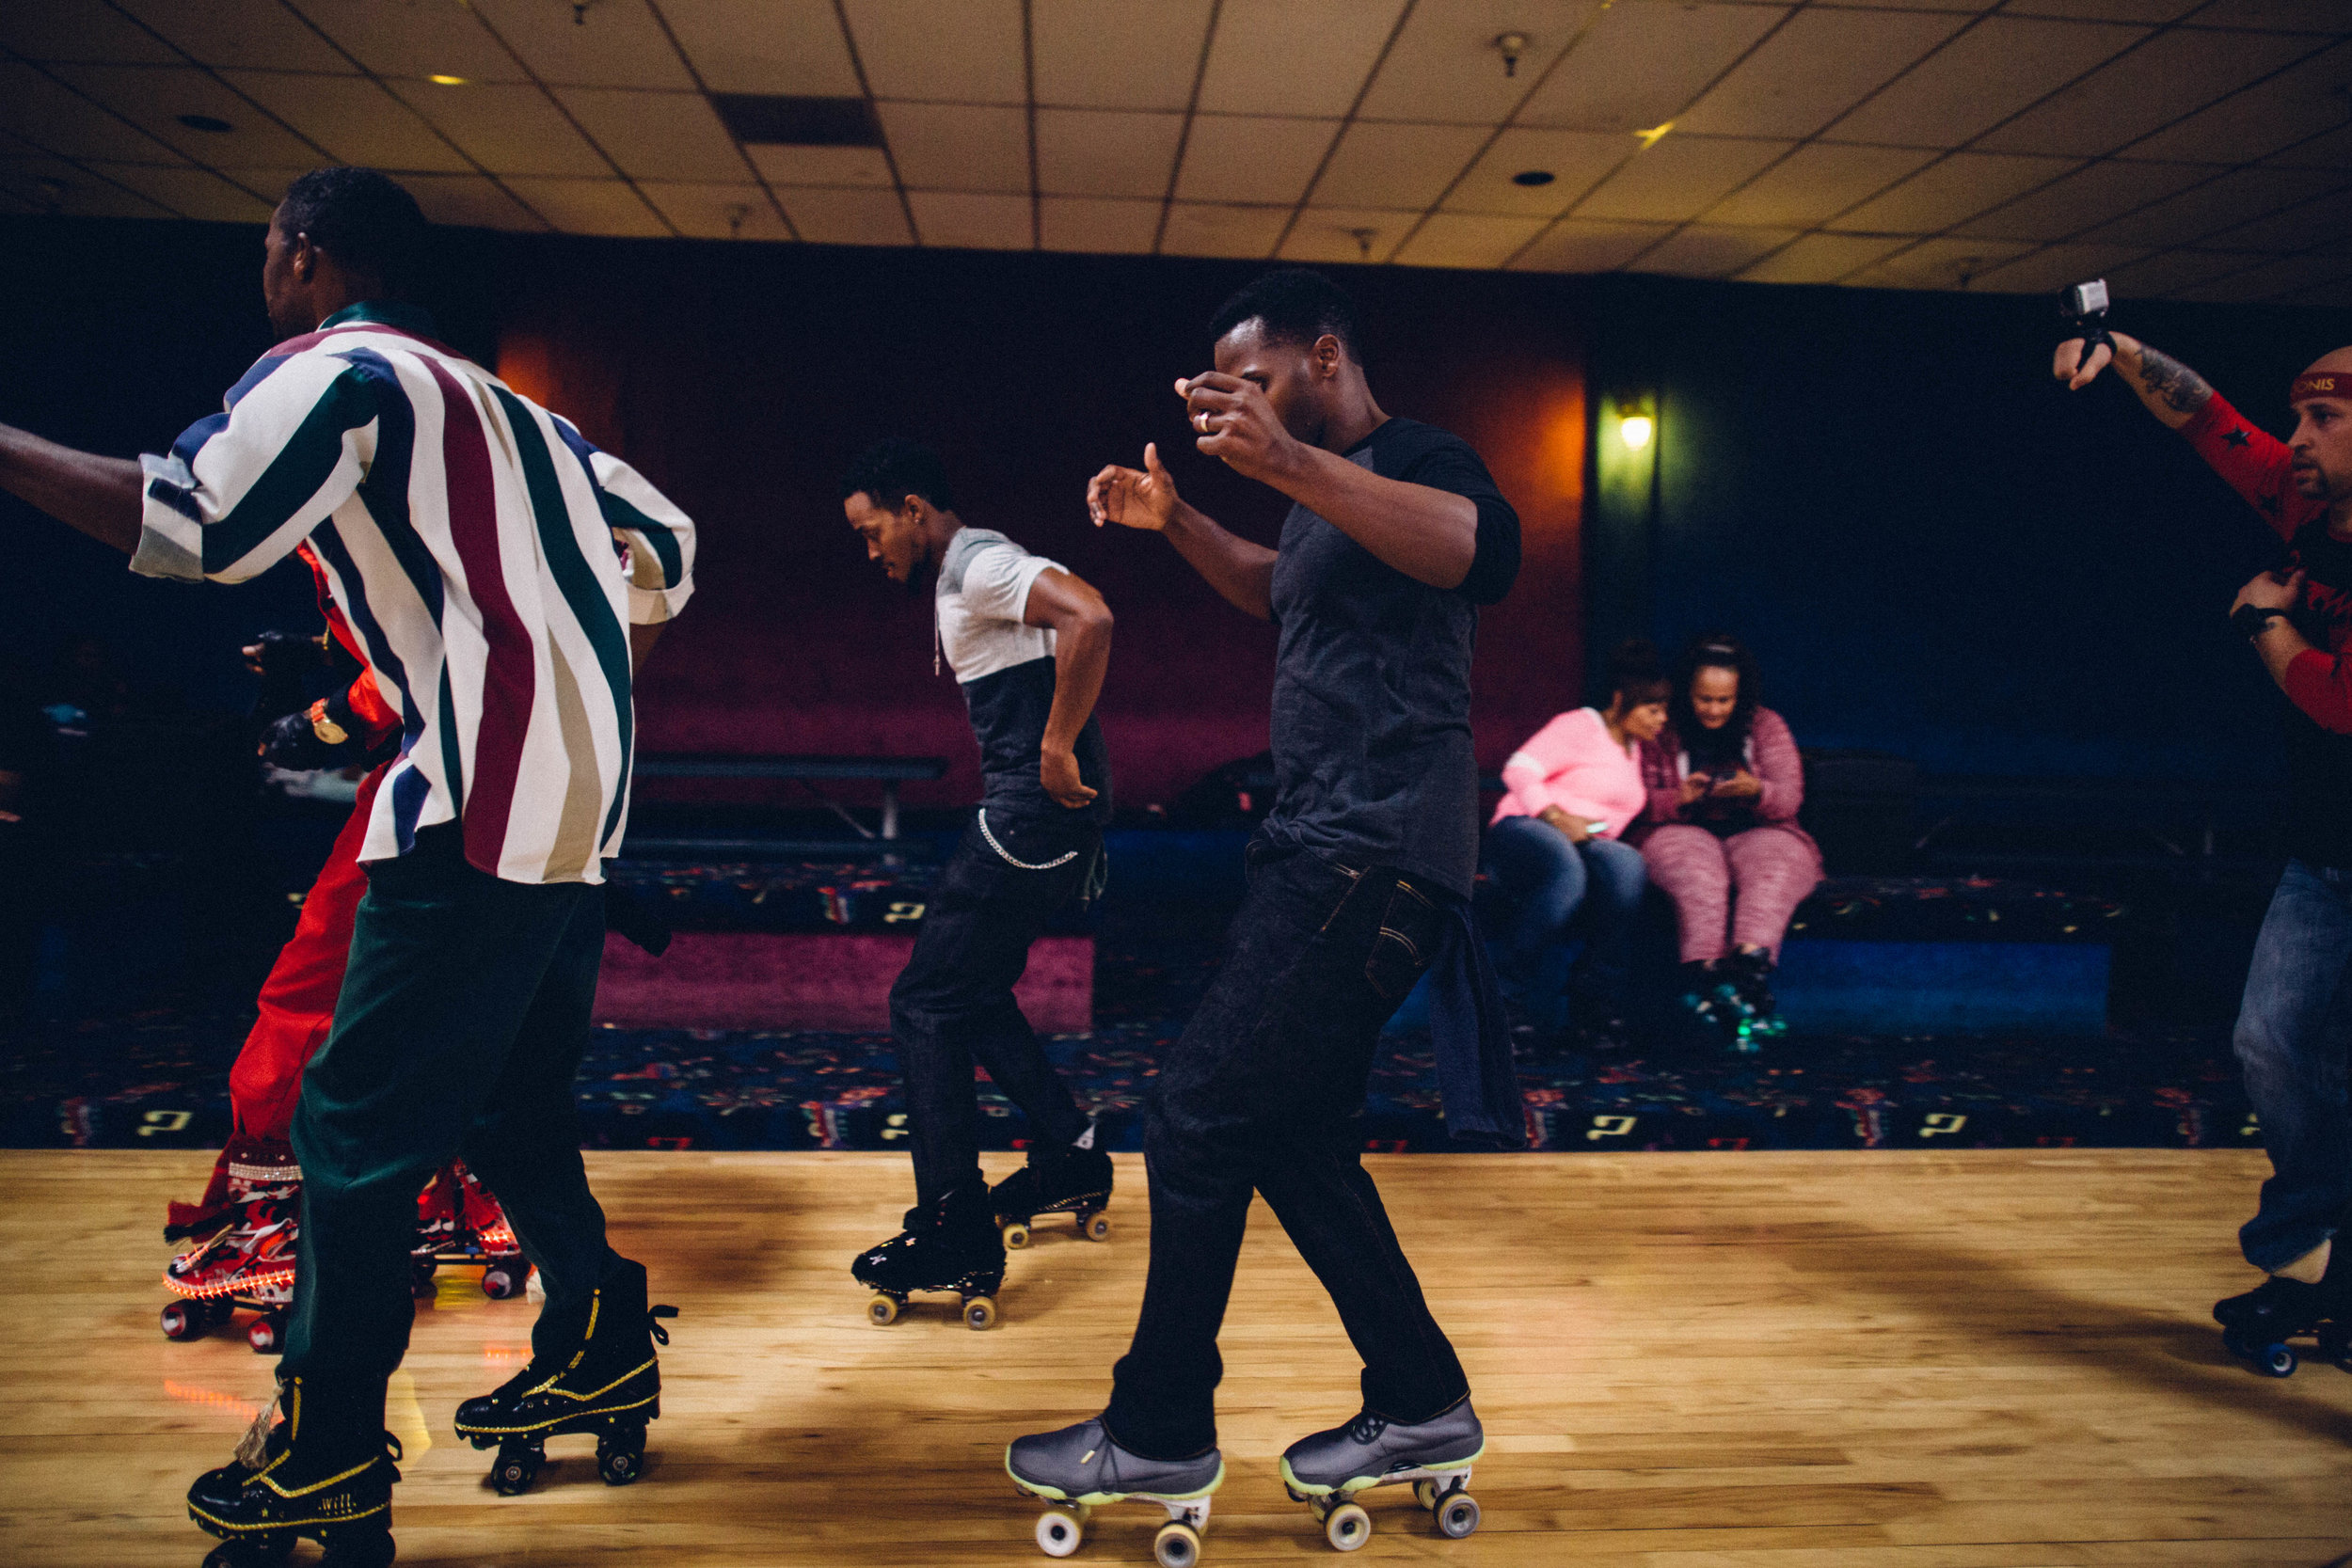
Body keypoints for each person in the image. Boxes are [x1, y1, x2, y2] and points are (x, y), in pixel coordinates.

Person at [0, 166, 695, 1562]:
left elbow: (194, 522)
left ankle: (325, 1448)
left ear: (303, 257)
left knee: (353, 1134)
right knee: (505, 1111)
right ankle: (603, 1333)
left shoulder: (346, 370)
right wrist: (554, 659)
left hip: (480, 807)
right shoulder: (535, 421)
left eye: (272, 254)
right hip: (579, 810)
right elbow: (667, 554)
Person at [1007, 269, 1519, 1535]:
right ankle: (1422, 1400)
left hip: (1378, 850)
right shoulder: (1321, 503)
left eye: (1260, 376)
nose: (1238, 401)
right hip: (1321, 848)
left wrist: (1287, 458)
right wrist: (1177, 517)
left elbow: (1476, 550)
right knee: (1288, 1137)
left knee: (1192, 1121)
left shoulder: (1421, 460)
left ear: (1327, 355)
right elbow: (1274, 586)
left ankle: (1158, 1428)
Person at [2057, 325, 2352, 1355]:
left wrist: (2264, 623)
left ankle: (2317, 1265)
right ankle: (2309, 1242)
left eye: (2323, 417)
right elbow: (2206, 418)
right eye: (2300, 415)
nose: (2296, 437)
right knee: (2270, 1043)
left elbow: (2342, 699)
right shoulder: (2308, 501)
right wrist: (2118, 346)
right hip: (2324, 852)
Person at [159, 568, 527, 1350]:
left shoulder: (373, 471)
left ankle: (287, 1214)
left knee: (317, 986)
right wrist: (327, 650)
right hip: (487, 771)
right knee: (431, 1001)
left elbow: (451, 642)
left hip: (448, 771)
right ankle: (446, 1188)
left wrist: (331, 719)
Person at [839, 437, 1118, 1323]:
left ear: (914, 508)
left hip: (1029, 816)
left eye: (873, 528)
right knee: (969, 988)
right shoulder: (975, 566)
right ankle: (1070, 1150)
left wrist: (1056, 745)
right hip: (1045, 818)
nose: (871, 548)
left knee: (924, 1001)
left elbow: (1092, 616)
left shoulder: (977, 564)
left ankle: (955, 1226)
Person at [1629, 633, 1820, 1047]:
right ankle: (1708, 977)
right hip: (1677, 828)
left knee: (1774, 865)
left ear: (1740, 696)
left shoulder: (1766, 726)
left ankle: (1751, 974)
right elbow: (1628, 797)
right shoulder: (1661, 724)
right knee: (1696, 869)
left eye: (1724, 700)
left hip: (1758, 828)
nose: (1713, 709)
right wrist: (1678, 798)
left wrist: (1755, 790)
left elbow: (1789, 797)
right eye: (1703, 699)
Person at [1484, 638, 1666, 1045]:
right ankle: (1502, 999)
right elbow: (1519, 769)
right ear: (1621, 701)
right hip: (1524, 828)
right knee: (1566, 874)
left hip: (1583, 841)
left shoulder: (1635, 750)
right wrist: (1555, 816)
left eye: (1664, 710)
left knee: (1628, 867)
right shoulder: (1581, 725)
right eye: (1652, 709)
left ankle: (1591, 999)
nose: (1661, 719)